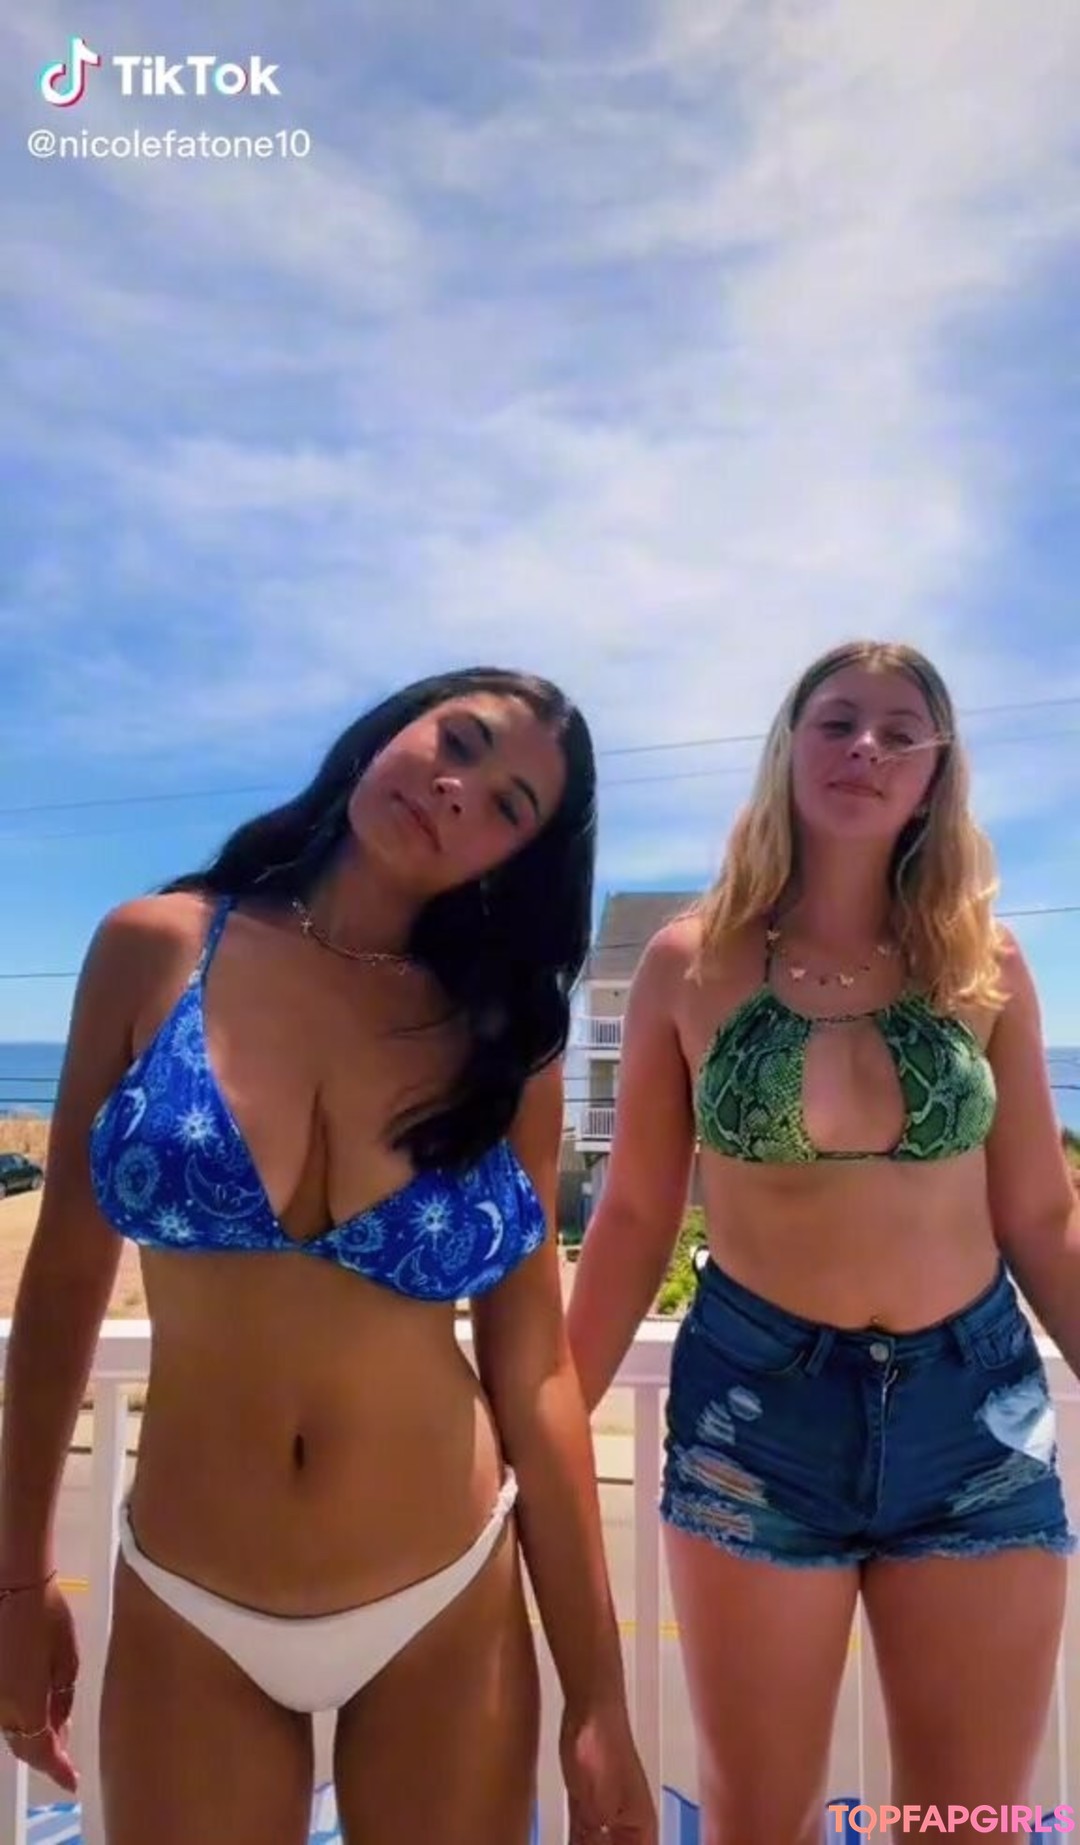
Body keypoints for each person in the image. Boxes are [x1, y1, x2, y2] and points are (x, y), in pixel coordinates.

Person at [0, 666, 656, 1845]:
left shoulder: (504, 1040)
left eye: (508, 806)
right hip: (190, 1595)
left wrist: (597, 1696)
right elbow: (61, 1288)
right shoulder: (156, 949)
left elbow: (536, 1374)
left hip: (444, 1595)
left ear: (516, 859)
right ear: (390, 731)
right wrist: (15, 1577)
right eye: (458, 741)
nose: (458, 791)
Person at [566, 640, 1080, 1845]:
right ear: (788, 748)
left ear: (937, 771)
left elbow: (1040, 1214)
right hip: (758, 1416)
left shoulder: (985, 963)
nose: (866, 749)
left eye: (902, 732)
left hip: (974, 1413)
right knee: (760, 1821)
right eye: (838, 721)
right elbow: (634, 1215)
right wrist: (540, 1429)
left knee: (968, 1826)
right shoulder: (689, 962)